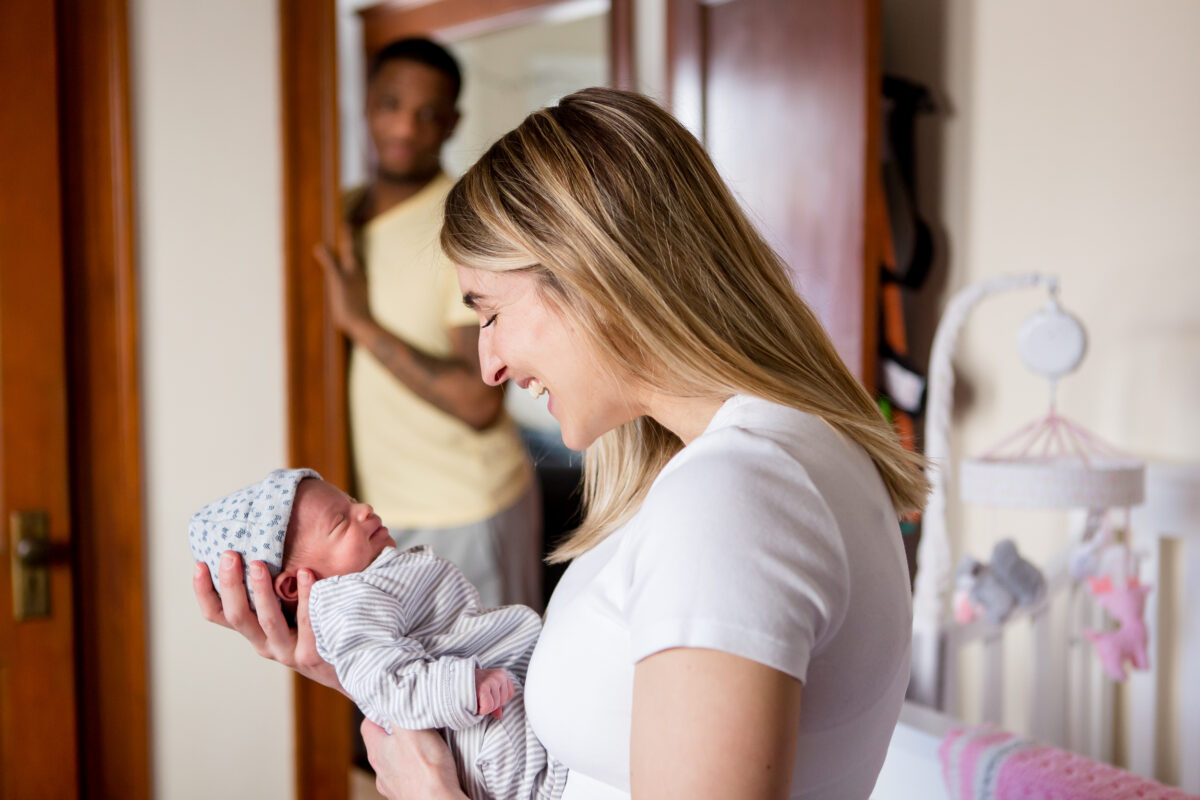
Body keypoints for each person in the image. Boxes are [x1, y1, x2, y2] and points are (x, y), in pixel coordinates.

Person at [196, 87, 929, 799]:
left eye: (489, 312)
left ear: (589, 276)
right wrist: (362, 670)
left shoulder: (732, 498)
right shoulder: (774, 457)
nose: (489, 365)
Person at [314, 36, 541, 611]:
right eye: (391, 105)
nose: (405, 129)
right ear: (365, 105)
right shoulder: (335, 211)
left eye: (427, 114)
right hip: (381, 514)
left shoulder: (460, 226)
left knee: (490, 693)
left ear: (452, 123)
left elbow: (479, 401)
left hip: (467, 506)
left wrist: (361, 324)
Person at [189, 468, 567, 800]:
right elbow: (387, 685)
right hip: (485, 730)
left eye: (351, 501)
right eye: (340, 522)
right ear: (294, 587)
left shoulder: (369, 580)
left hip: (496, 693)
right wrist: (464, 687)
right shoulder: (342, 600)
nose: (363, 510)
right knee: (557, 771)